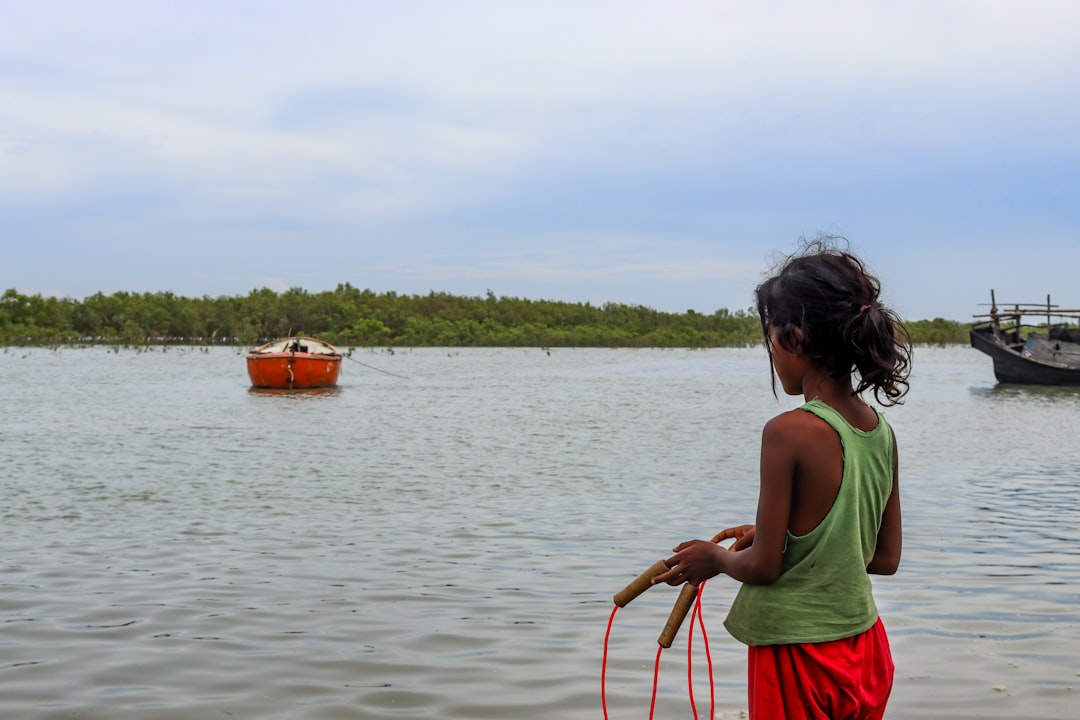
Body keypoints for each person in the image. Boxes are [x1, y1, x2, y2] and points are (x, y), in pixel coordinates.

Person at [653, 239, 912, 720]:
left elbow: (763, 568)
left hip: (799, 656)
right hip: (866, 652)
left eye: (769, 338)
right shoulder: (881, 432)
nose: (771, 352)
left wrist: (714, 558)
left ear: (794, 338)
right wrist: (791, 537)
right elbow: (883, 558)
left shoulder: (787, 432)